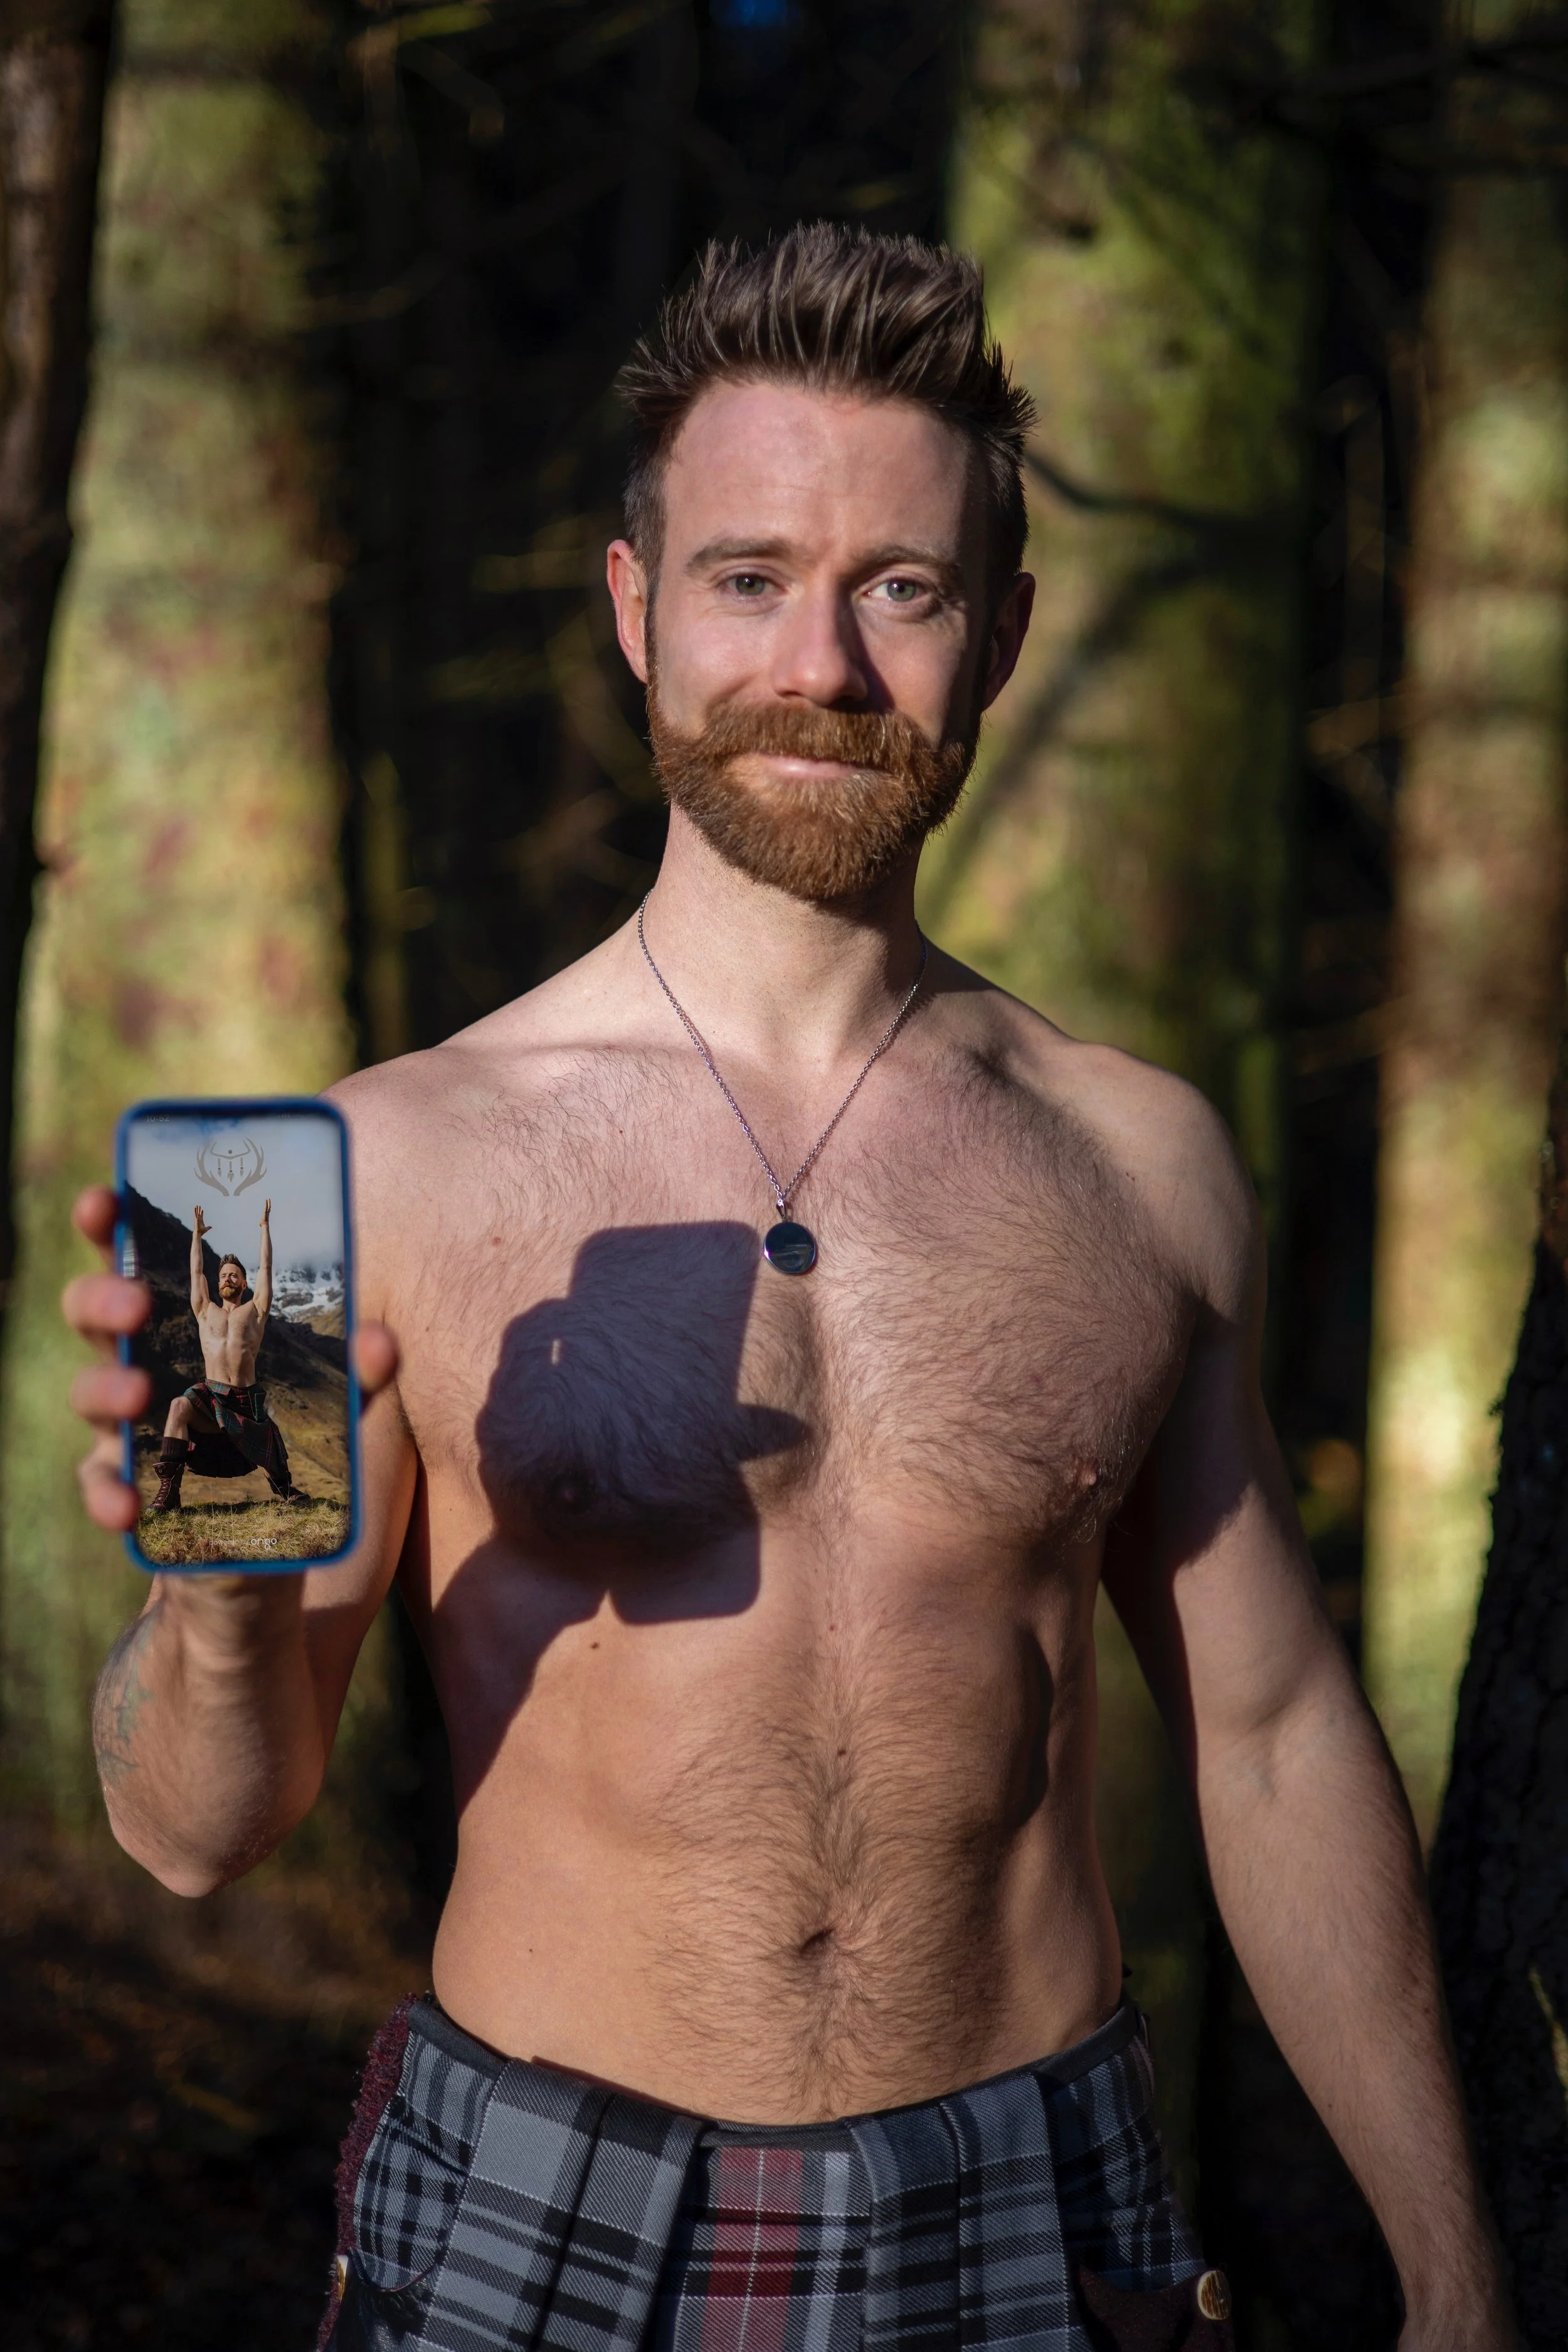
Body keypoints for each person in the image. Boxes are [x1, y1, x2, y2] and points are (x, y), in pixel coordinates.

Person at [66, 225, 1510, 2352]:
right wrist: (213, 1615)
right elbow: (199, 1836)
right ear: (636, 607)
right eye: (748, 577)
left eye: (899, 588)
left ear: (1000, 631)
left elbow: (1277, 1735)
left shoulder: (1141, 1162)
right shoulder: (372, 1165)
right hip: (535, 2219)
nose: (821, 667)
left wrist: (1455, 2269)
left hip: (1036, 2207)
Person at [148, 1199, 308, 1512]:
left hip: (245, 1401)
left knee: (269, 1442)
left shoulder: (256, 1311)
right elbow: (196, 1272)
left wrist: (265, 1228)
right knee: (179, 1405)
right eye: (223, 1275)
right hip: (211, 1397)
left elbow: (267, 1268)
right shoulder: (205, 1311)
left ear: (244, 1283)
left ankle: (286, 1489)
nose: (227, 1279)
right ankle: (169, 1494)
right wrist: (196, 1236)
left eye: (234, 1275)